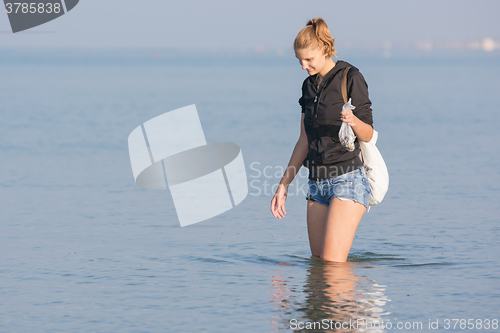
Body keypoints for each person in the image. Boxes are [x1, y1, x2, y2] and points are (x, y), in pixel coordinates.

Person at [270, 17, 374, 262]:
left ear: (325, 50)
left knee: (332, 267)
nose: (303, 66)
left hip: (347, 180)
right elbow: (303, 141)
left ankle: (353, 300)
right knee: (318, 268)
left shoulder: (350, 77)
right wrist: (283, 184)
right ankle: (348, 300)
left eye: (309, 59)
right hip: (317, 184)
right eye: (300, 60)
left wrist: (353, 121)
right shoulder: (308, 86)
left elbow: (368, 134)